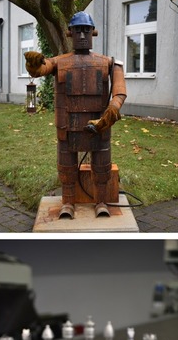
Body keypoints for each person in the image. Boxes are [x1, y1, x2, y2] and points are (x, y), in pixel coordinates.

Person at [25, 11, 127, 219]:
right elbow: (40, 69)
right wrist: (33, 63)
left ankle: (100, 201)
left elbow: (120, 91)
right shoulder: (59, 62)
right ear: (70, 33)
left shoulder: (109, 62)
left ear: (93, 33)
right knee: (67, 166)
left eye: (86, 30)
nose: (82, 35)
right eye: (77, 30)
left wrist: (112, 110)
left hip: (98, 125)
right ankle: (68, 202)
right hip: (67, 126)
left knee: (101, 165)